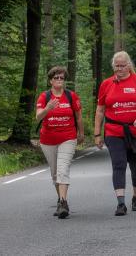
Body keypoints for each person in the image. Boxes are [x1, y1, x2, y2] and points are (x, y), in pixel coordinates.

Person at [94, 51, 136, 216]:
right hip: (114, 131)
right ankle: (121, 203)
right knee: (118, 164)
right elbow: (100, 110)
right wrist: (97, 133)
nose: (119, 69)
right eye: (116, 66)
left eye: (122, 66)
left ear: (129, 65)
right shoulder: (106, 84)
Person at [36, 66, 84, 219]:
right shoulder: (44, 97)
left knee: (63, 170)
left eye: (61, 78)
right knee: (55, 173)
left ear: (64, 80)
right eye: (55, 78)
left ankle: (63, 202)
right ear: (50, 80)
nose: (58, 80)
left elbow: (78, 117)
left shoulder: (71, 96)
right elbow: (38, 117)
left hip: (68, 137)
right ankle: (60, 199)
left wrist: (81, 133)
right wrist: (47, 108)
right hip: (48, 140)